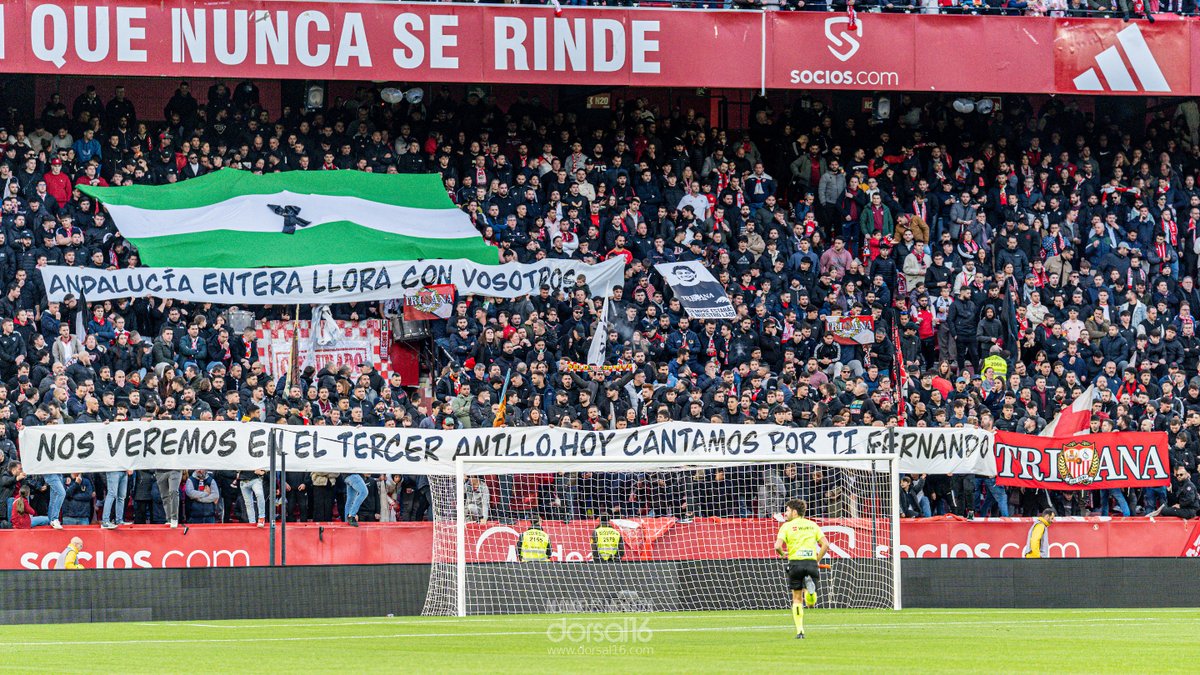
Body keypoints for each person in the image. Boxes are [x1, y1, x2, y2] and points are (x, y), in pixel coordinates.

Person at [774, 498, 829, 639]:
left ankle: (800, 631)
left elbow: (777, 546)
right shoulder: (812, 525)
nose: (785, 513)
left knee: (797, 599)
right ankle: (810, 594)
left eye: (786, 510)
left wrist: (782, 554)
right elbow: (825, 545)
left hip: (795, 563)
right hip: (810, 563)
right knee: (811, 603)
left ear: (794, 512)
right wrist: (816, 560)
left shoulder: (786, 527)